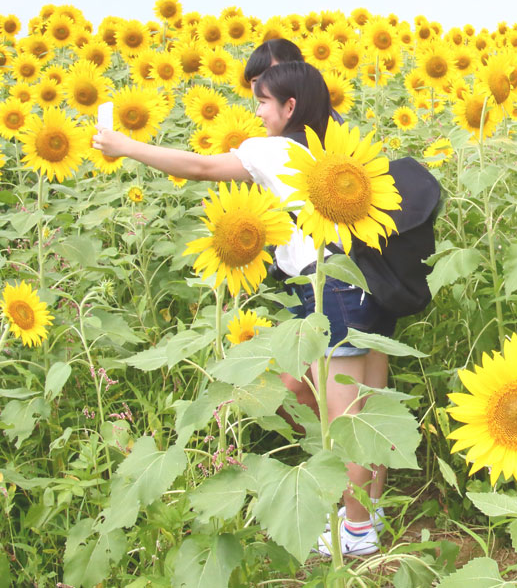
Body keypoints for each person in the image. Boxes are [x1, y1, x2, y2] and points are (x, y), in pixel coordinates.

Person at [92, 61, 387, 556]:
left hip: (328, 286)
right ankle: (367, 509)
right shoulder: (329, 148)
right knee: (362, 402)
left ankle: (356, 531)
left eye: (263, 102)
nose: (258, 112)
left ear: (289, 106)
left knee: (347, 412)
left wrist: (126, 147)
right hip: (361, 282)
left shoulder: (275, 151)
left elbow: (204, 168)